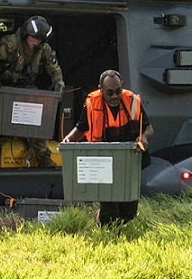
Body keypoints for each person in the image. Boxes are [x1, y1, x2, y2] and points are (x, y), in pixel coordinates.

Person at [64, 68, 150, 224]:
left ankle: (110, 224)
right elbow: (81, 128)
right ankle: (106, 232)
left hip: (128, 161)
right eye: (110, 93)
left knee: (129, 212)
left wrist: (143, 137)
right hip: (103, 161)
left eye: (118, 91)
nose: (115, 96)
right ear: (101, 89)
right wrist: (68, 140)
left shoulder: (132, 101)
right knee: (110, 212)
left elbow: (149, 128)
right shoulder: (91, 103)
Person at [0, 15, 64, 167]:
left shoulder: (43, 49)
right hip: (1, 87)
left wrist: (59, 84)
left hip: (24, 88)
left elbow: (54, 69)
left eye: (38, 40)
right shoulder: (9, 43)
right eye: (33, 38)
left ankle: (42, 156)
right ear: (25, 34)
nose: (35, 42)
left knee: (36, 117)